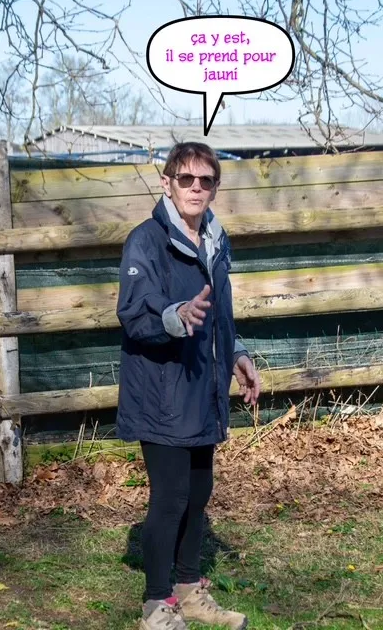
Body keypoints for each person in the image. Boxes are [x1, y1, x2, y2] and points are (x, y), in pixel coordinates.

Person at [116, 142, 261, 630]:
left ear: (215, 187)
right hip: (161, 392)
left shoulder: (215, 240)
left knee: (199, 492)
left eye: (206, 180)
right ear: (167, 183)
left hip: (202, 389)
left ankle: (188, 589)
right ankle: (156, 605)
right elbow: (134, 313)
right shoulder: (146, 241)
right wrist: (175, 316)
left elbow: (220, 314)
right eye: (186, 179)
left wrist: (237, 355)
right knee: (171, 497)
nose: (196, 188)